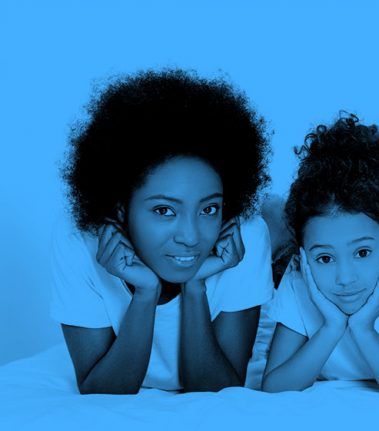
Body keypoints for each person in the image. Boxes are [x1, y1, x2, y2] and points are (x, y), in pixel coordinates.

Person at [52, 69, 274, 394]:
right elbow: (100, 392)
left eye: (209, 209)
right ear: (119, 207)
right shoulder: (78, 240)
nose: (191, 236)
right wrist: (145, 294)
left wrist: (195, 284)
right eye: (164, 210)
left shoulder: (245, 235)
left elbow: (217, 389)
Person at [262, 115, 379, 406]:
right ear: (303, 255)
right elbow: (273, 388)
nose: (345, 277)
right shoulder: (299, 278)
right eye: (325, 258)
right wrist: (332, 328)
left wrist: (364, 330)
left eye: (362, 253)